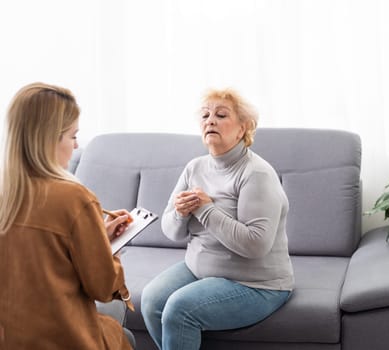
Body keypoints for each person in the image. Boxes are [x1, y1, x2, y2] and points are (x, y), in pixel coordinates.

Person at [141, 88, 294, 349]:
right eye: (205, 115)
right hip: (198, 270)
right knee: (151, 300)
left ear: (243, 128)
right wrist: (179, 213)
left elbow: (256, 245)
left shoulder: (256, 174)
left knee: (180, 309)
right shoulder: (195, 167)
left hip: (256, 284)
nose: (210, 120)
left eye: (221, 115)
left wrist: (205, 209)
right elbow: (172, 231)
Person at [0, 82, 135, 350]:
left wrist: (97, 236)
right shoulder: (75, 199)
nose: (75, 146)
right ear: (49, 138)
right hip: (64, 338)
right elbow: (103, 286)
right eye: (73, 136)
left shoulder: (7, 196)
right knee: (123, 333)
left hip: (13, 338)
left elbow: (37, 260)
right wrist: (110, 249)